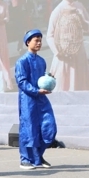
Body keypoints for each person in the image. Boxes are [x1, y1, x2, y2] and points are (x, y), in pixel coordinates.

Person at [15, 29, 56, 170]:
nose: (39, 43)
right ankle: (25, 159)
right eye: (36, 40)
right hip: (28, 99)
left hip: (41, 98)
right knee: (29, 129)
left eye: (40, 40)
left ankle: (38, 156)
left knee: (49, 126)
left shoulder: (42, 61)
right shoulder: (22, 61)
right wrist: (36, 91)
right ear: (28, 42)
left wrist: (49, 79)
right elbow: (21, 82)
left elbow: (42, 78)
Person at [45, 0, 89, 91]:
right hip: (64, 59)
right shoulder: (58, 10)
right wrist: (58, 52)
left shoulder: (79, 6)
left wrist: (82, 20)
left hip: (79, 56)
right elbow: (49, 35)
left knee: (80, 90)